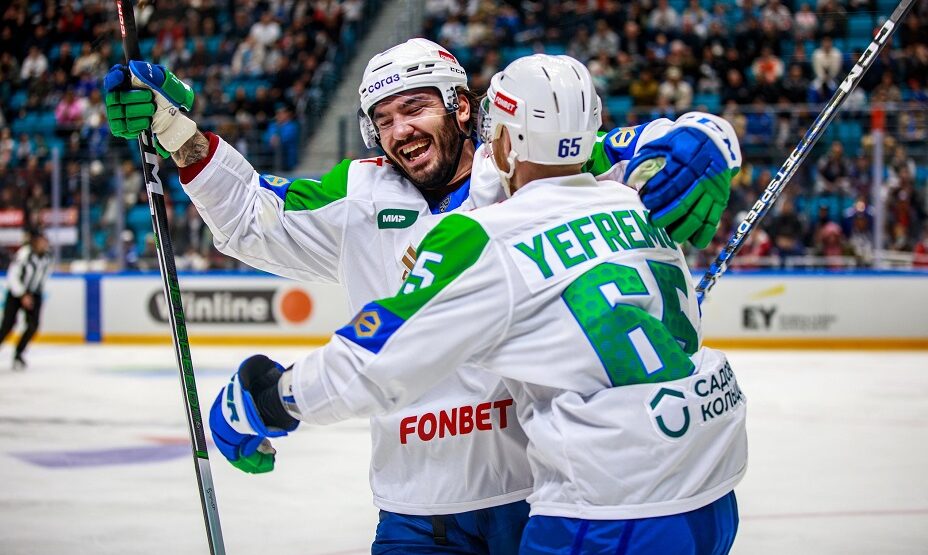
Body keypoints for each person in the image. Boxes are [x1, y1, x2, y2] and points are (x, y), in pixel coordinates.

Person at [104, 38, 737, 553]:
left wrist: (708, 141)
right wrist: (175, 129)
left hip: (531, 492)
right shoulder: (359, 194)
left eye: (415, 108)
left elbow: (652, 147)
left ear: (462, 108)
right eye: (383, 119)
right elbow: (251, 216)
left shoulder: (522, 167)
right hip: (417, 504)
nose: (399, 130)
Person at [0, 232, 52, 370]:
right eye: (41, 241)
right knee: (7, 325)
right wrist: (22, 294)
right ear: (34, 242)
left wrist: (37, 294)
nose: (44, 244)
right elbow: (13, 275)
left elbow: (44, 276)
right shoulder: (24, 254)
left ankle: (18, 354)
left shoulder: (47, 256)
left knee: (33, 326)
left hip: (34, 294)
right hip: (16, 293)